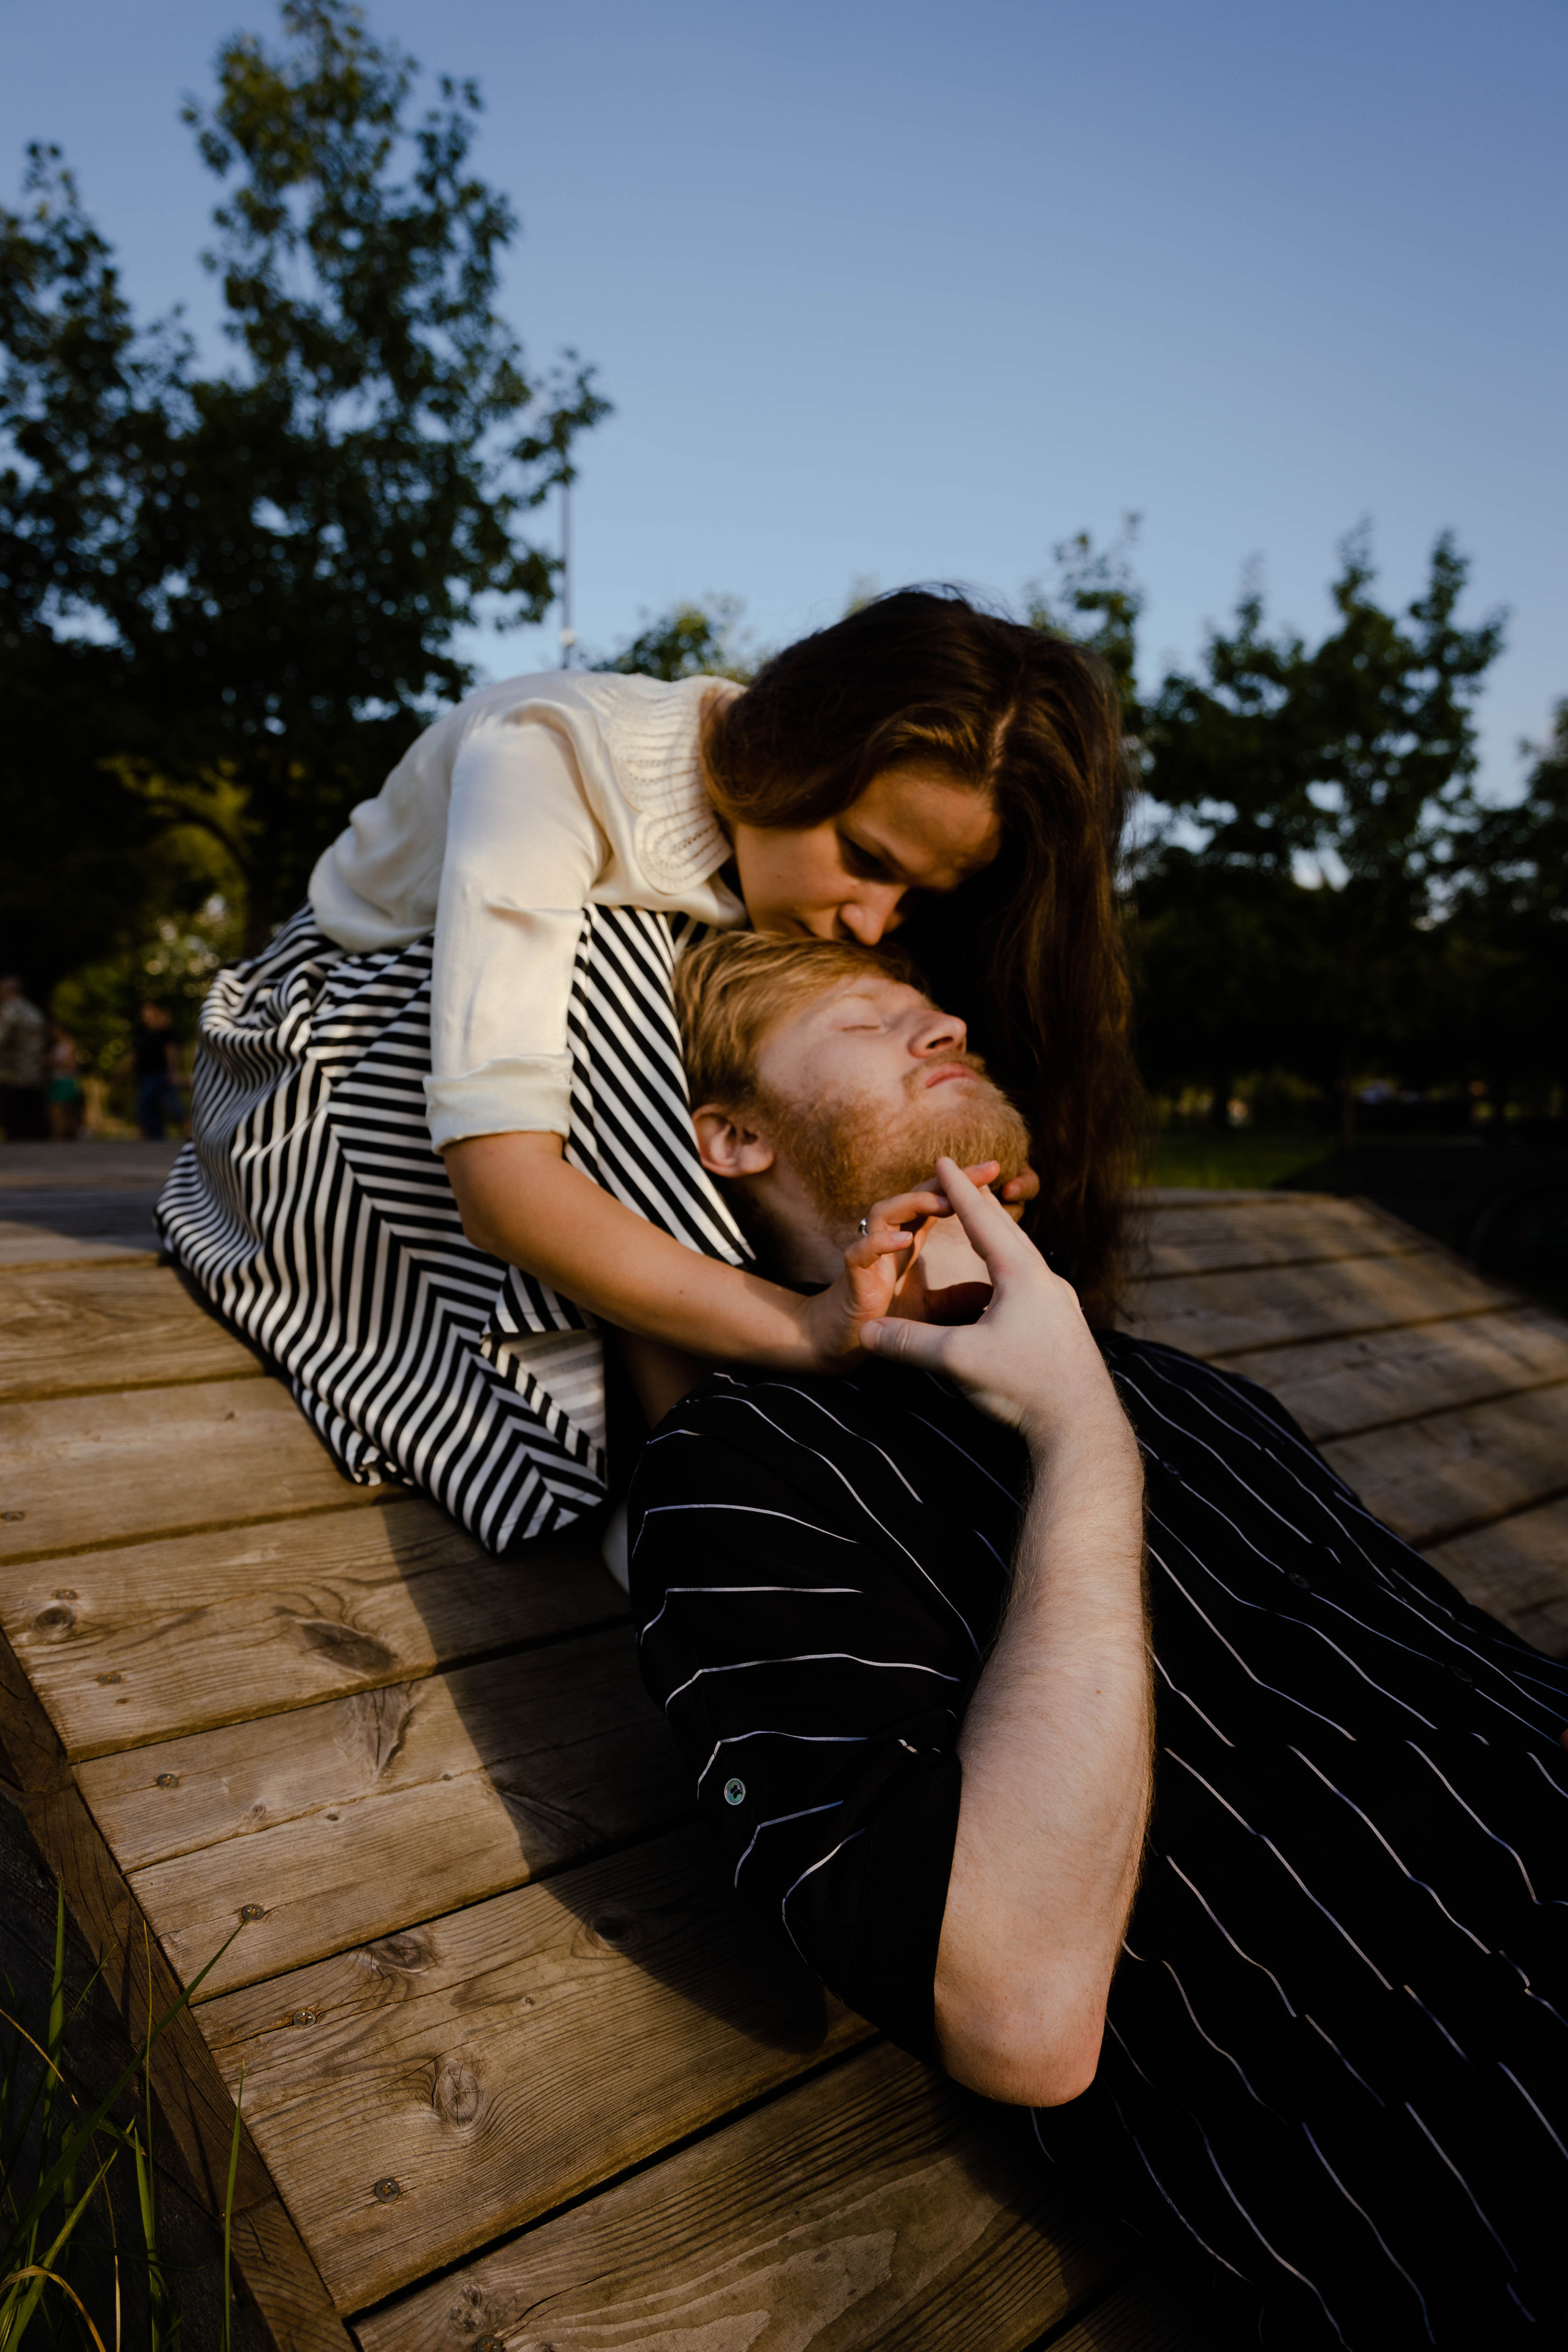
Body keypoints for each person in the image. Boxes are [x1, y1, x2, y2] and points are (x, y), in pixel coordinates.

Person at [628, 930, 1568, 2351]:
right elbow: (1014, 2004)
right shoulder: (746, 1472)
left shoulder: (1182, 1387)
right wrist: (1072, 1430)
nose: (940, 1016)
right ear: (733, 1133)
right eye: (872, 1016)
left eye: (938, 1009)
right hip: (1489, 2116)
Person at [158, 591, 1140, 1552]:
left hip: (505, 1109)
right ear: (790, 750)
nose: (874, 920)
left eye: (914, 894)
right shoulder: (546, 756)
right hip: (307, 1081)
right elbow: (502, 1188)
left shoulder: (782, 876)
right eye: (864, 857)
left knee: (795, 1026)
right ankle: (702, 1467)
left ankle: (824, 1417)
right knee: (625, 977)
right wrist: (804, 1327)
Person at [0, 974, 48, 1141]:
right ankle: (36, 1137)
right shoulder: (32, 1009)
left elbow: (2, 1038)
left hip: (14, 1069)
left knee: (14, 1108)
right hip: (34, 1067)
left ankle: (18, 1138)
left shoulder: (11, 1010)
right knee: (32, 1107)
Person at [132, 1003, 181, 1140]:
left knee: (166, 1106)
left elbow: (171, 1053)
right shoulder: (144, 1033)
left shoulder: (166, 1033)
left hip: (159, 1074)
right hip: (145, 1075)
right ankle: (155, 1136)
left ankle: (191, 1133)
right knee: (151, 1106)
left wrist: (172, 1072)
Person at [47, 1022, 85, 1141]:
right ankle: (59, 1136)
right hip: (57, 1080)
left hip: (66, 1080)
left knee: (64, 1110)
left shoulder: (70, 1044)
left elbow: (71, 1064)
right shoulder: (57, 1045)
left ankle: (64, 1136)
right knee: (56, 1110)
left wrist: (53, 1062)